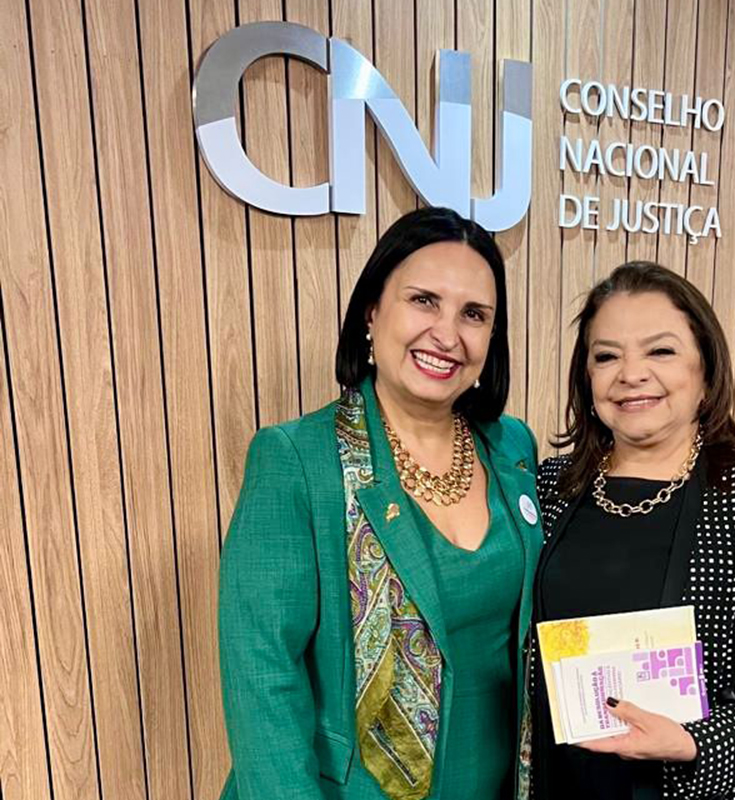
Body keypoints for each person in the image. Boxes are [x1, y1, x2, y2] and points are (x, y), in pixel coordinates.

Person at [218, 207, 542, 800]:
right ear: (372, 310)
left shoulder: (512, 447)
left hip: (498, 781)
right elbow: (263, 679)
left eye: (473, 314)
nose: (447, 334)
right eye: (423, 301)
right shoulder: (298, 459)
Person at [531, 262, 735, 800]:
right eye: (607, 356)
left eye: (661, 351)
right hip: (558, 785)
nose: (631, 374)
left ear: (706, 372)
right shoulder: (547, 487)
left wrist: (694, 743)